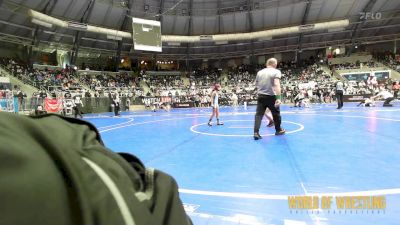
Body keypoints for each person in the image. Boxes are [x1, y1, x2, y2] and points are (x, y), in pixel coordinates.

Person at [253, 58, 285, 140]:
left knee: (258, 115)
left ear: (267, 64)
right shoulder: (276, 71)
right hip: (271, 96)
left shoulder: (259, 72)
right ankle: (278, 130)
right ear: (274, 64)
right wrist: (278, 98)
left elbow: (256, 84)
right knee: (276, 114)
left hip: (261, 96)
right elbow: (277, 84)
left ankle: (256, 133)